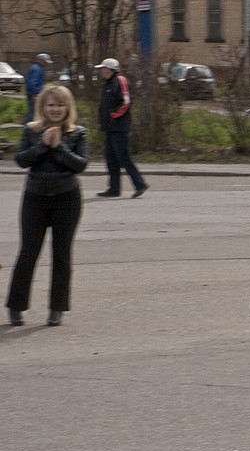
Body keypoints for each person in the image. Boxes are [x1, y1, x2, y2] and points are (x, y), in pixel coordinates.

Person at [7, 85, 88, 327]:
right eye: (51, 105)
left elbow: (81, 165)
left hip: (67, 199)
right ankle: (16, 306)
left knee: (61, 255)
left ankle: (56, 308)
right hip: (35, 198)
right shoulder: (31, 130)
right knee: (28, 253)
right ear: (43, 107)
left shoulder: (78, 133)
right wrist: (42, 145)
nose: (55, 109)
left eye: (60, 105)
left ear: (67, 108)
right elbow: (20, 160)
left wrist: (59, 147)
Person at [95, 58, 149, 199]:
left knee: (123, 157)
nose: (101, 71)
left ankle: (140, 183)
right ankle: (114, 188)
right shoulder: (108, 84)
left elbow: (126, 102)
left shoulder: (120, 80)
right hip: (110, 128)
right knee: (111, 158)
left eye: (104, 68)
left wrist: (114, 115)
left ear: (111, 69)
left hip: (119, 127)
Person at [24, 53, 52, 124]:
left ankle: (31, 127)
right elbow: (33, 82)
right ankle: (27, 128)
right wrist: (34, 95)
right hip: (34, 94)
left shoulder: (36, 67)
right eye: (45, 62)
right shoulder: (37, 69)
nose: (46, 64)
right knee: (32, 112)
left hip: (34, 93)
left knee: (34, 111)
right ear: (41, 60)